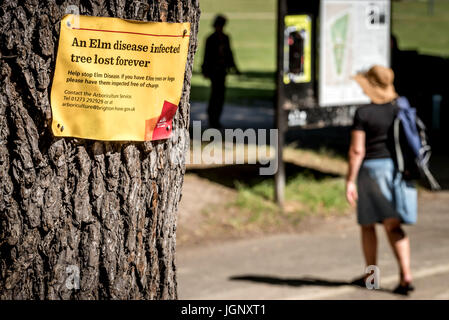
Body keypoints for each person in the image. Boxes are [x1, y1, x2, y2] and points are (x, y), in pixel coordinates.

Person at [346, 65, 417, 295]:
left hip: (373, 172)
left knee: (368, 225)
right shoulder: (400, 108)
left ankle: (372, 277)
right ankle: (406, 275)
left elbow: (357, 151)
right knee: (394, 225)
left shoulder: (364, 113)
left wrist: (350, 180)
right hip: (398, 171)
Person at [201, 15, 240, 128]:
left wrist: (234, 68)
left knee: (220, 96)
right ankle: (212, 119)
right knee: (215, 95)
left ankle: (216, 119)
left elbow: (229, 53)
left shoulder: (225, 37)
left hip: (222, 71)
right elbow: (206, 56)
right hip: (214, 71)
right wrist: (205, 70)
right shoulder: (211, 38)